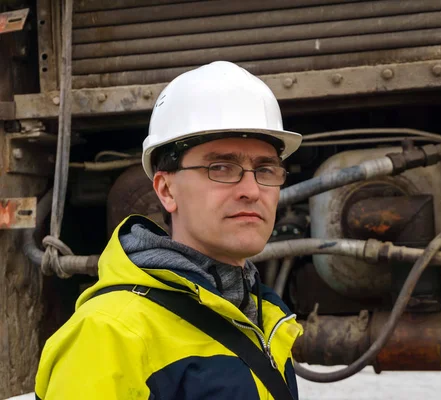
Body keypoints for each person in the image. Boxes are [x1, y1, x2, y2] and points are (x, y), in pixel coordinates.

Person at [35, 61, 304, 399]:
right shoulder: (108, 333)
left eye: (265, 169)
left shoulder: (262, 315)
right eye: (221, 167)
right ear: (165, 190)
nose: (251, 189)